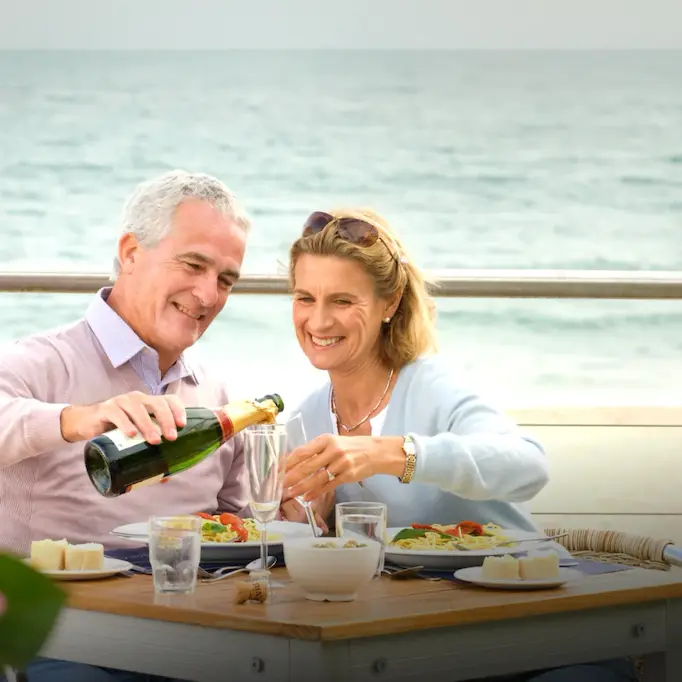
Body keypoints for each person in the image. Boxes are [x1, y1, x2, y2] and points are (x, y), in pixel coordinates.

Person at [281, 208, 638, 682]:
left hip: (540, 634)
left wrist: (396, 454)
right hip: (428, 644)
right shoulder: (302, 422)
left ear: (389, 304)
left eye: (343, 300)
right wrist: (313, 526)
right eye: (305, 297)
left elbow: (529, 465)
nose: (319, 320)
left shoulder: (431, 385)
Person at [0, 170, 252, 682]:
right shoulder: (39, 363)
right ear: (131, 252)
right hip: (63, 639)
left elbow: (243, 531)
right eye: (193, 264)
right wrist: (76, 419)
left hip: (191, 639)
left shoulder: (220, 397)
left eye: (226, 279)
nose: (208, 294)